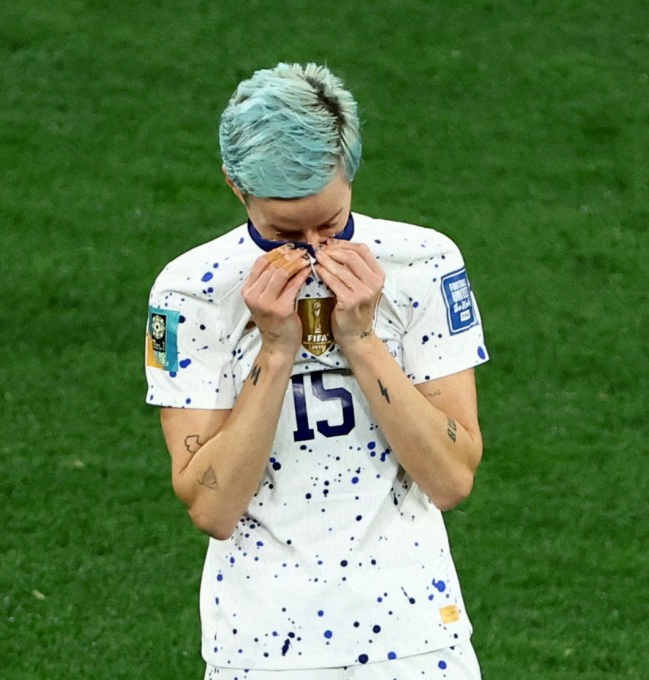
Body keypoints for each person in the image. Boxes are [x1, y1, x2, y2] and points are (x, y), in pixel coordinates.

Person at [144, 62, 489, 679]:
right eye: (282, 232)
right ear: (235, 186)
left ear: (350, 176)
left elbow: (452, 479)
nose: (310, 250)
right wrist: (275, 352)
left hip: (417, 639)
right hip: (260, 649)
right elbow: (212, 508)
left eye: (329, 225)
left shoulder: (425, 264)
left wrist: (362, 339)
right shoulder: (189, 293)